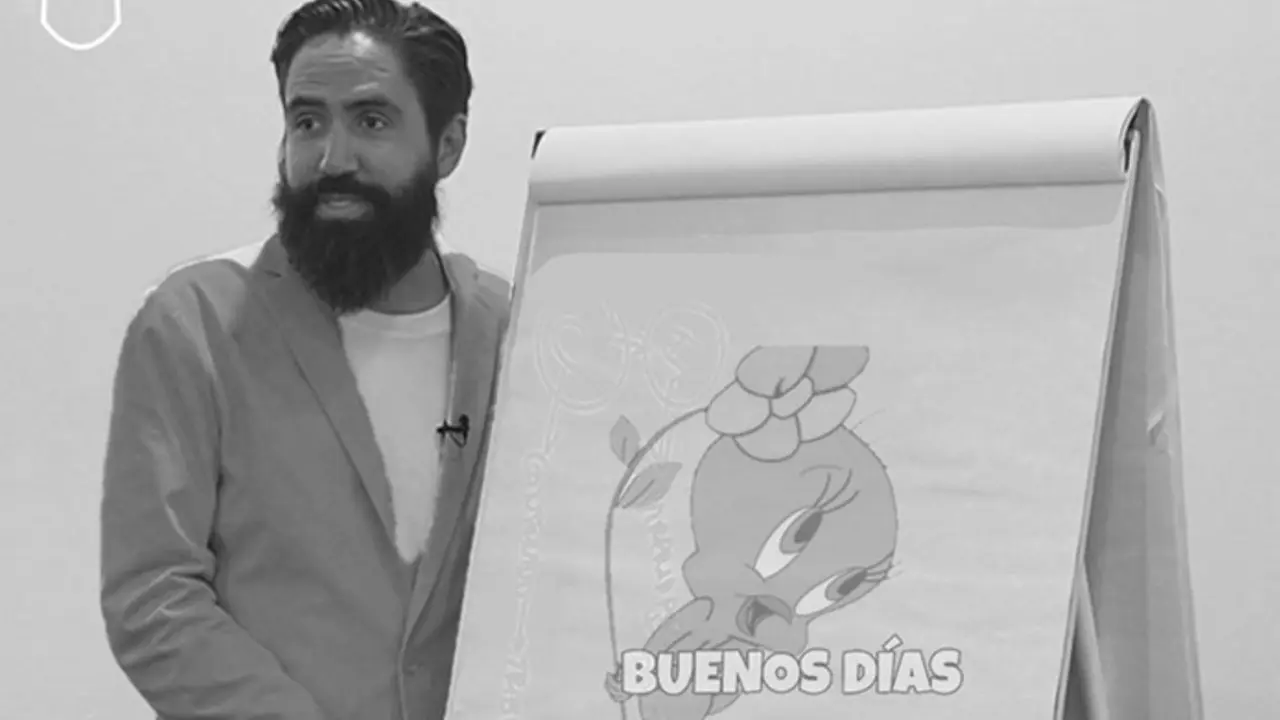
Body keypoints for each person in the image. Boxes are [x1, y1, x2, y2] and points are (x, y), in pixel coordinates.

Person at [99, 2, 509, 718]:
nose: (332, 159)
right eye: (308, 121)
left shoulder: (513, 331)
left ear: (448, 145)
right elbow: (153, 595)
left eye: (371, 121)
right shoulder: (196, 321)